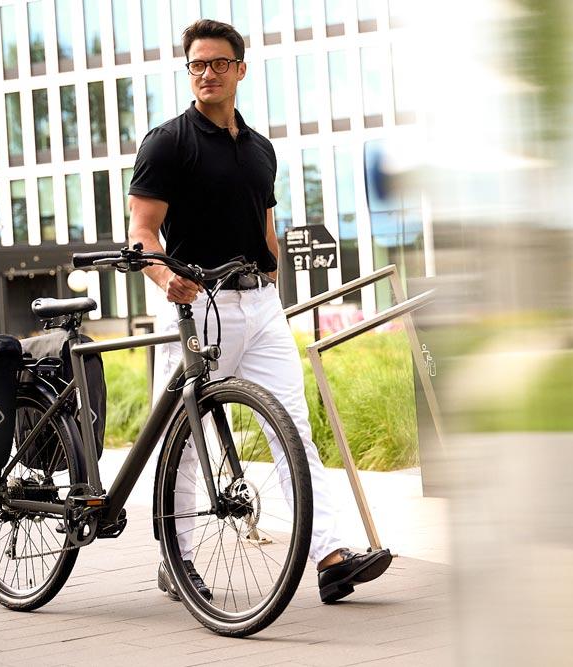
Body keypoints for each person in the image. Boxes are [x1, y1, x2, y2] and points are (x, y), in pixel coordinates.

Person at [126, 19, 391, 604]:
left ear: (240, 69)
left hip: (260, 303)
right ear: (188, 71)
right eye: (197, 64)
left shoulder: (260, 149)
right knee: (184, 442)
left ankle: (329, 556)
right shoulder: (168, 142)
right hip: (198, 304)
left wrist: (272, 280)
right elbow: (142, 231)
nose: (207, 73)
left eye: (219, 63)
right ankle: (179, 559)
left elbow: (267, 230)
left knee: (292, 428)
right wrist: (167, 277)